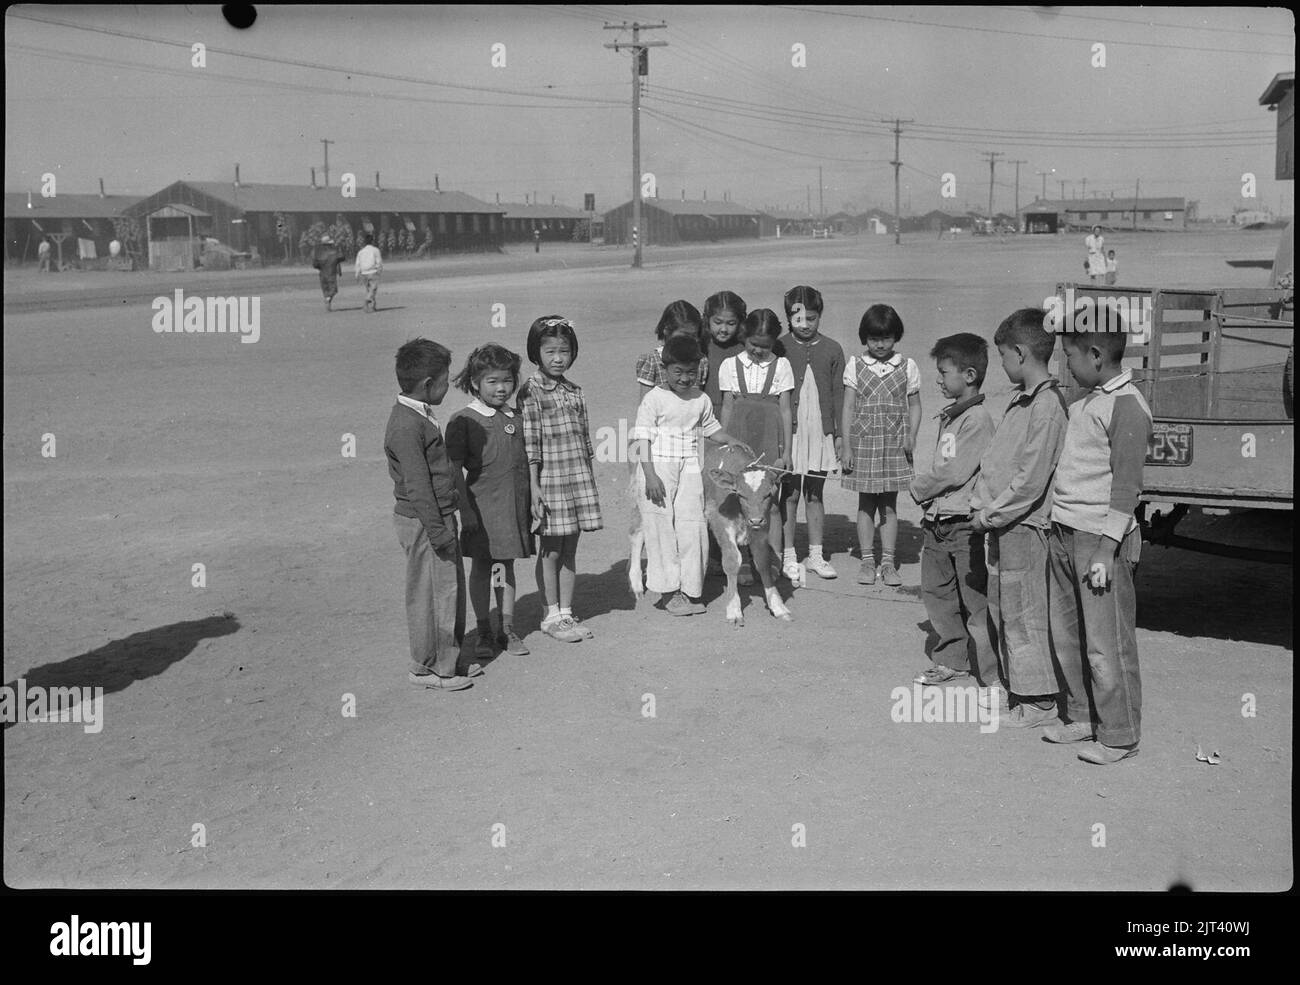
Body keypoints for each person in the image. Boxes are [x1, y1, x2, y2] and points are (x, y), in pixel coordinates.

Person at [1043, 314, 1152, 765]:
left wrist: (1108, 549)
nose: (1066, 365)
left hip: (1098, 542)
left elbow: (1127, 487)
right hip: (1065, 531)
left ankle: (1120, 734)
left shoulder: (1127, 405)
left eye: (1070, 356)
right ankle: (1082, 716)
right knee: (1068, 635)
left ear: (1096, 355)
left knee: (1107, 642)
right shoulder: (1087, 400)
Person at [970, 310, 1070, 724]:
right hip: (1004, 524)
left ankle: (1039, 700)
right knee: (1005, 608)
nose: (1003, 365)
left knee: (1025, 612)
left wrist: (990, 515)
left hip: (1023, 526)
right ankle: (1020, 690)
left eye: (1004, 356)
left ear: (1021, 352)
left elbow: (1030, 481)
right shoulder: (1022, 399)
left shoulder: (1046, 406)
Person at [383, 339, 474, 692]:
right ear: (427, 384)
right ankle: (433, 669)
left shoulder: (417, 413)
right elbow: (418, 486)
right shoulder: (407, 426)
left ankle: (445, 659)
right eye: (445, 380)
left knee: (445, 590)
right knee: (434, 594)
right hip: (425, 520)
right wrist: (438, 530)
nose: (448, 385)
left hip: (435, 516)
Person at [908, 333, 998, 687]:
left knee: (974, 598)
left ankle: (991, 674)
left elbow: (956, 471)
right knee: (937, 593)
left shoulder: (977, 420)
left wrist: (919, 487)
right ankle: (952, 659)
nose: (939, 380)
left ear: (970, 375)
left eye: (944, 373)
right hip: (937, 521)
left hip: (963, 525)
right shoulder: (951, 417)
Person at [633, 335, 741, 615]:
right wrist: (650, 475)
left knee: (692, 525)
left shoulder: (701, 399)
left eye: (691, 372)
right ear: (665, 368)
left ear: (699, 370)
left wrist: (732, 440)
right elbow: (642, 439)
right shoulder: (654, 399)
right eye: (677, 372)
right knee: (661, 528)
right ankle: (668, 591)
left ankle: (691, 588)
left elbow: (712, 429)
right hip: (658, 467)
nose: (684, 378)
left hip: (690, 466)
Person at [446, 343, 534, 661]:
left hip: (512, 509)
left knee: (505, 566)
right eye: (492, 381)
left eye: (507, 380)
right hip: (481, 511)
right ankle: (483, 629)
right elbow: (454, 469)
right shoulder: (463, 420)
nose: (501, 388)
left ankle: (505, 628)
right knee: (484, 568)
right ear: (475, 382)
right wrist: (465, 510)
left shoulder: (517, 417)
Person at [518, 316, 603, 643]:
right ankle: (549, 614)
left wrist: (589, 483)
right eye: (550, 351)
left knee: (570, 549)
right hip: (549, 481)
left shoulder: (574, 391)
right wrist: (534, 487)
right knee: (550, 551)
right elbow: (531, 444)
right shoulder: (531, 391)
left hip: (576, 478)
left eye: (564, 351)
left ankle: (566, 613)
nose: (557, 358)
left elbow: (584, 441)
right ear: (536, 353)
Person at [840, 304, 922, 586]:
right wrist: (847, 446)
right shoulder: (856, 365)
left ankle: (888, 561)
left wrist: (911, 435)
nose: (880, 344)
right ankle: (866, 560)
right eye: (874, 338)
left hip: (893, 443)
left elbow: (915, 405)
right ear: (865, 337)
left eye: (886, 338)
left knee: (888, 504)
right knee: (865, 504)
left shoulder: (907, 366)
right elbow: (848, 407)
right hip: (864, 443)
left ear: (895, 337)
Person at [719, 308, 795, 583]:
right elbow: (727, 407)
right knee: (741, 504)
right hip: (739, 439)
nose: (759, 351)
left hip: (769, 440)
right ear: (744, 337)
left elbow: (786, 410)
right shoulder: (729, 365)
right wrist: (725, 445)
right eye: (754, 344)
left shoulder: (782, 366)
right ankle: (742, 564)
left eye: (766, 346)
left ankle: (771, 562)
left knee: (769, 505)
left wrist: (785, 451)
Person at [778, 285, 845, 581]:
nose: (805, 325)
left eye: (812, 318)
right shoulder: (779, 347)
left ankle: (815, 555)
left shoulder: (832, 349)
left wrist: (841, 435)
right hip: (790, 432)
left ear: (820, 316)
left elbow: (840, 395)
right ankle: (788, 555)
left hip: (819, 430)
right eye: (798, 319)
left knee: (815, 494)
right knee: (789, 494)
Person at [701, 291, 747, 578]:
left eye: (730, 323)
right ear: (707, 321)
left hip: (735, 424)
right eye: (717, 322)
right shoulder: (701, 347)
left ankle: (742, 556)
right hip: (706, 425)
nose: (723, 329)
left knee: (733, 489)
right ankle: (713, 555)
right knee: (709, 490)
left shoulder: (745, 348)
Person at [312, 235, 343, 310]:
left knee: (325, 290)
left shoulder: (318, 253)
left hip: (322, 274)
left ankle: (328, 302)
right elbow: (341, 258)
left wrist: (321, 268)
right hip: (331, 274)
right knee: (333, 290)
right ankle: (328, 300)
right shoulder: (334, 252)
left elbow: (315, 265)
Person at [355, 232, 383, 312]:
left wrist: (357, 274)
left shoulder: (361, 252)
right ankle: (366, 301)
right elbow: (379, 261)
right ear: (372, 241)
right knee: (372, 290)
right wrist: (379, 270)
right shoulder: (375, 250)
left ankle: (373, 306)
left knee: (369, 290)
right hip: (373, 272)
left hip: (364, 273)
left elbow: (358, 263)